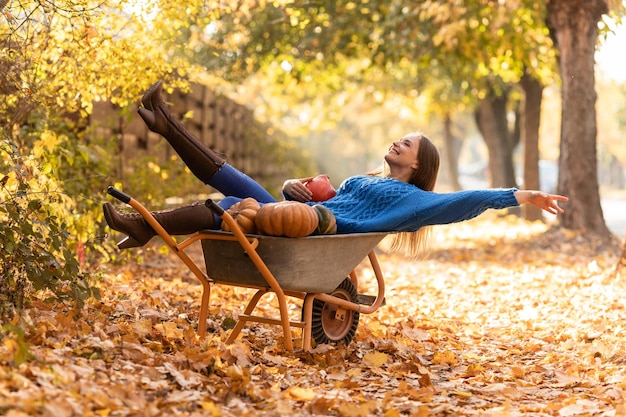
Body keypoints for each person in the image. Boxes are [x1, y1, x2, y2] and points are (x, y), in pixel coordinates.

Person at [103, 81, 568, 254]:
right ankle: (165, 124)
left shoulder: (415, 201)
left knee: (228, 203)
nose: (397, 141)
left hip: (317, 236)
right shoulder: (362, 178)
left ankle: (145, 226)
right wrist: (293, 186)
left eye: (405, 143)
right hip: (297, 223)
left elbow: (469, 201)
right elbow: (310, 195)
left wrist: (523, 196)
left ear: (418, 162)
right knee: (231, 182)